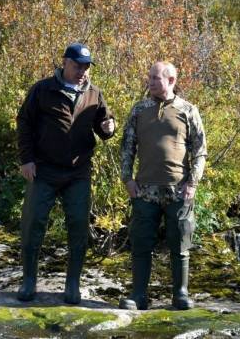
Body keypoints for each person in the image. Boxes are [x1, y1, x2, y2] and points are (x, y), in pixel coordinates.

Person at [16, 43, 115, 303]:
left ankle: (72, 284)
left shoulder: (95, 93)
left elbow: (104, 128)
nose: (82, 71)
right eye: (77, 65)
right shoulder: (42, 89)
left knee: (78, 227)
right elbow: (24, 122)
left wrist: (109, 127)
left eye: (86, 67)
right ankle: (28, 281)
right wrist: (26, 160)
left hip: (78, 172)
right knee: (32, 224)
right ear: (65, 63)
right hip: (44, 169)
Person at [119, 61, 207, 310]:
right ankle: (138, 296)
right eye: (149, 77)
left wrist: (193, 183)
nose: (150, 82)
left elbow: (200, 151)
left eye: (155, 78)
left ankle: (180, 295)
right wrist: (128, 180)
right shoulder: (139, 110)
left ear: (171, 80)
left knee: (180, 244)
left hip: (178, 190)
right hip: (144, 191)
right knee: (140, 243)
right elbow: (127, 147)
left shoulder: (188, 110)